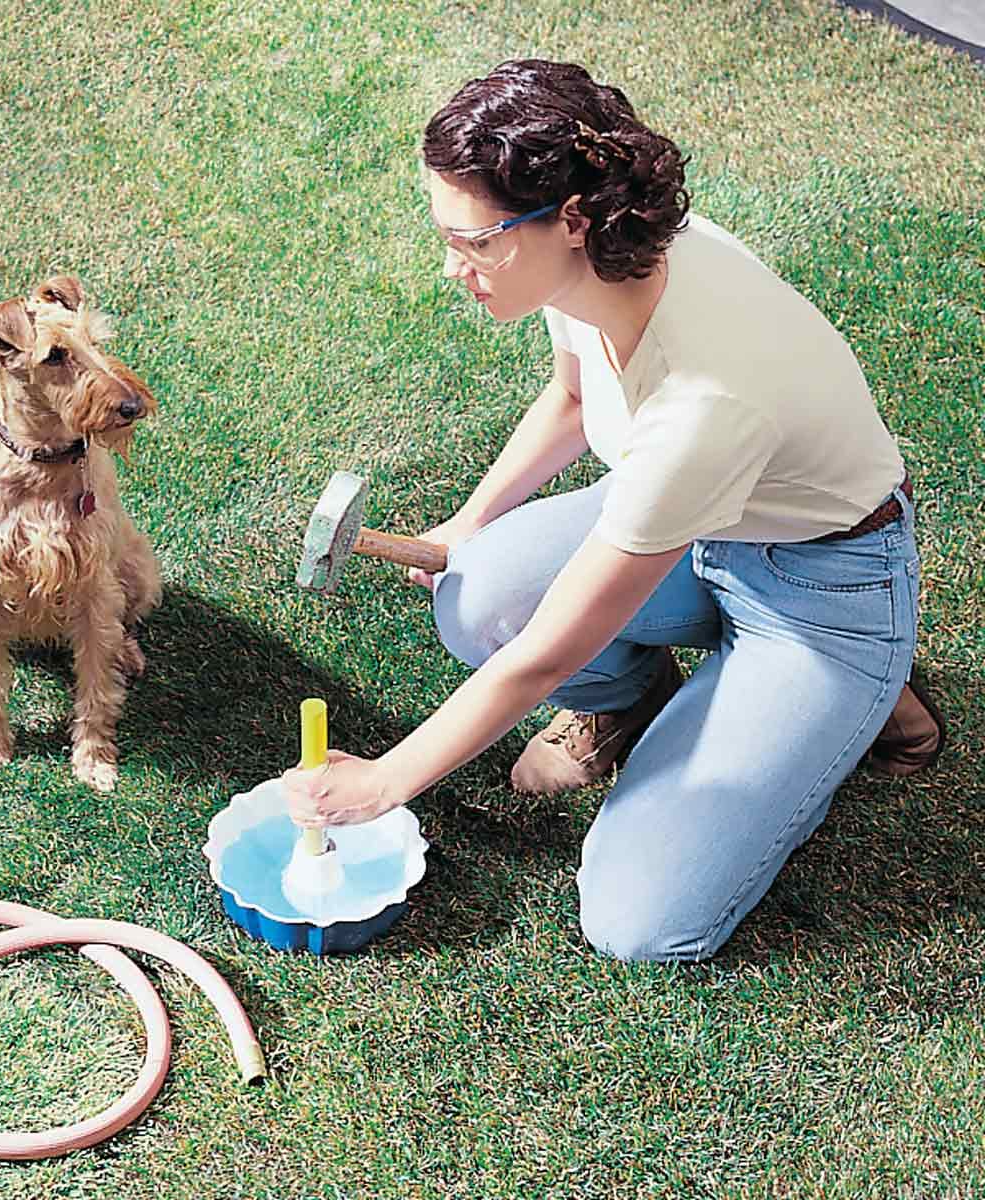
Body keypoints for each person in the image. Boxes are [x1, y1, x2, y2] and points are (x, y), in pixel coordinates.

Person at [283, 59, 945, 962]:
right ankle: (638, 709)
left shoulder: (704, 401)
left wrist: (388, 780)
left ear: (571, 219)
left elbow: (547, 653)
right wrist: (467, 523)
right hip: (698, 525)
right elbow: (571, 400)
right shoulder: (591, 270)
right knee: (479, 589)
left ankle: (859, 693)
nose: (453, 267)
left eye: (475, 241)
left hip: (822, 595)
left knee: (640, 923)